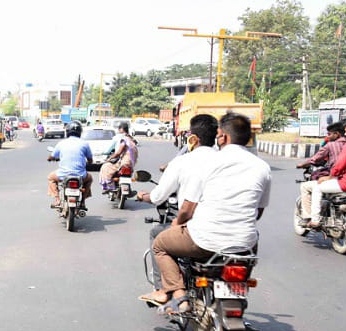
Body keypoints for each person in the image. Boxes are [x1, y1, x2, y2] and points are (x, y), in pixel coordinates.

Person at [141, 112, 271, 314]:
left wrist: (177, 223)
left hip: (204, 238)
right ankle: (238, 290)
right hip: (245, 243)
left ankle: (177, 295)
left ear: (224, 137)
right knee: (249, 247)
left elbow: (187, 208)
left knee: (159, 243)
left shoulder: (208, 163)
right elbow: (258, 212)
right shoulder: (262, 167)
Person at [136, 114, 218, 305]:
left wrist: (143, 196)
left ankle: (164, 290)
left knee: (158, 237)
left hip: (198, 232)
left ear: (193, 138)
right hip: (235, 234)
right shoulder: (226, 163)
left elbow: (177, 205)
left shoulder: (183, 162)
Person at [299, 118, 346, 229]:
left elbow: (340, 164)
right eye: (345, 131)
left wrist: (329, 177)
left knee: (317, 187)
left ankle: (315, 220)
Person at [47, 121, 93, 207]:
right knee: (89, 179)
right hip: (80, 175)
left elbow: (52, 156)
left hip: (63, 175)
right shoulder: (85, 144)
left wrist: (50, 158)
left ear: (67, 132)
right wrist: (86, 164)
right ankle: (82, 201)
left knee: (50, 177)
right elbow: (90, 159)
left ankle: (57, 199)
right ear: (80, 132)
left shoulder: (61, 143)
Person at [99, 121, 138, 191]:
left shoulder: (123, 139)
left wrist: (109, 158)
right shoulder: (132, 139)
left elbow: (118, 153)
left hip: (124, 162)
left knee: (105, 166)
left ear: (121, 129)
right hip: (131, 164)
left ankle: (110, 185)